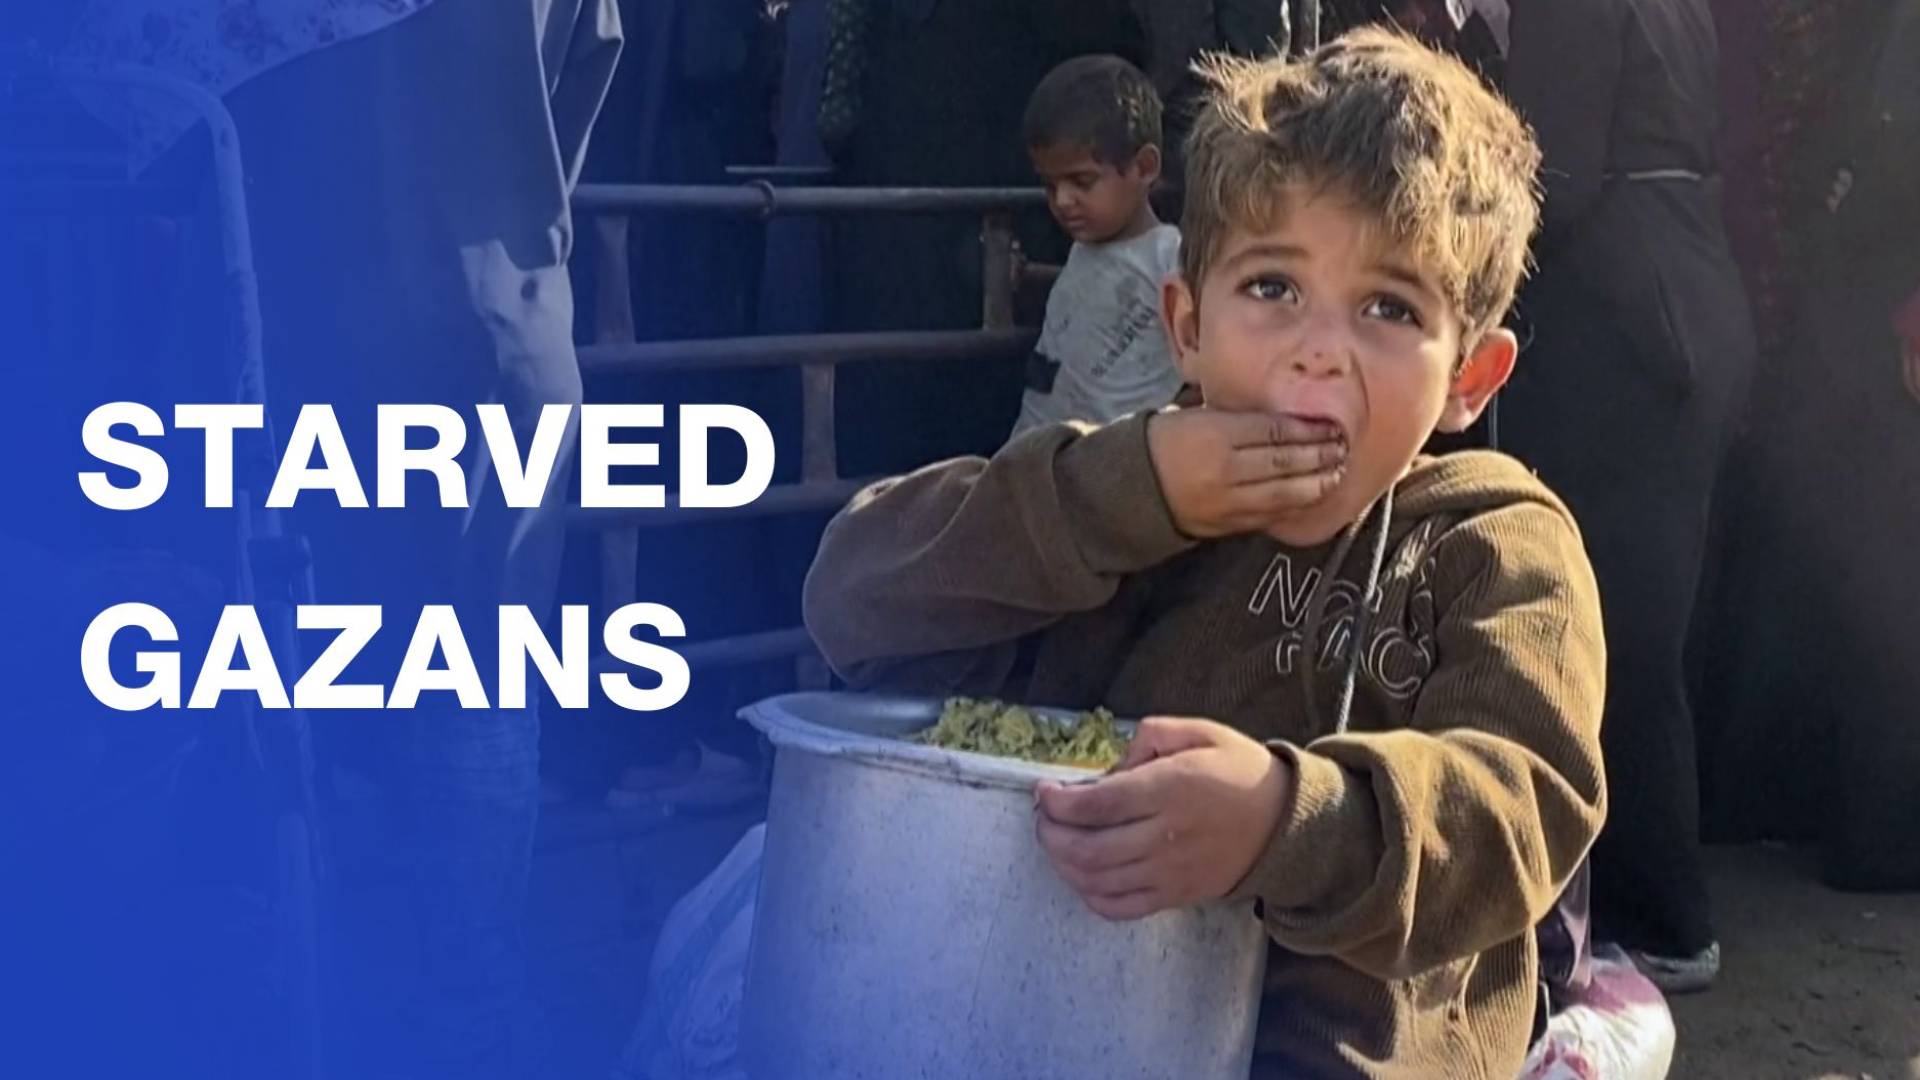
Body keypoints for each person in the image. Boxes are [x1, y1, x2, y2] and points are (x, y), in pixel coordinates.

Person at [804, 30, 1606, 1078]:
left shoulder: (1491, 543)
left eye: (1389, 307)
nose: (1319, 348)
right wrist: (1130, 494)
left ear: (1471, 377)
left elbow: (1523, 807)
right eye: (1273, 288)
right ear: (1185, 323)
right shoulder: (1127, 492)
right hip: (1049, 1017)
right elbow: (852, 600)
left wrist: (1287, 818)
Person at [1480, 0, 1753, 992]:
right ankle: (1655, 903)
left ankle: (1656, 917)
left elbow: (1558, 172)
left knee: (1610, 627)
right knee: (1645, 622)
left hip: (1623, 329)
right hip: (1683, 301)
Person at [1010, 55, 1185, 439]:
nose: (1063, 200)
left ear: (1144, 168)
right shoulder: (1081, 253)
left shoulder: (1172, 260)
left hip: (1116, 469)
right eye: (1051, 186)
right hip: (1040, 461)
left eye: (1082, 181)